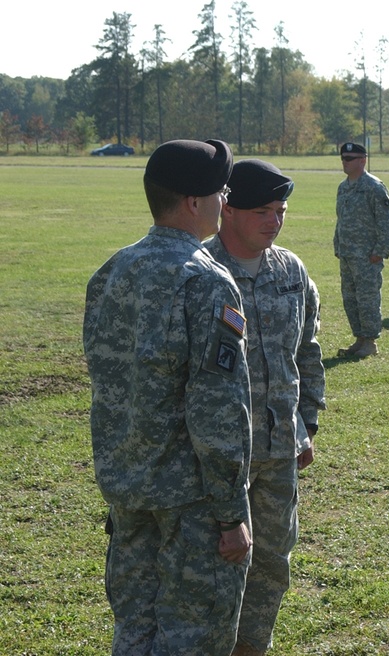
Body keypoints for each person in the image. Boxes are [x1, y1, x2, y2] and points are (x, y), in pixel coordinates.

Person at [83, 139, 253, 654]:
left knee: (134, 630)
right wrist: (231, 512)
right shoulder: (206, 281)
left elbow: (107, 381)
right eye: (221, 192)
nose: (226, 201)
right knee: (193, 636)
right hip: (191, 503)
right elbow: (217, 408)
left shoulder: (112, 271)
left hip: (128, 491)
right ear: (193, 203)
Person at [206, 159, 326, 656]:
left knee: (273, 562)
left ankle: (252, 649)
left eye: (281, 211)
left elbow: (307, 352)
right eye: (262, 210)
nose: (274, 221)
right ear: (227, 208)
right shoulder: (201, 272)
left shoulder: (291, 270)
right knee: (215, 569)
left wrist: (307, 423)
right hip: (218, 454)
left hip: (279, 450)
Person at [333, 142, 389, 358]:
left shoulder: (374, 187)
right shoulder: (343, 187)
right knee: (350, 298)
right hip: (347, 254)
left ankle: (370, 342)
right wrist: (337, 245)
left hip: (367, 256)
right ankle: (359, 339)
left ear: (362, 160)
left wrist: (380, 251)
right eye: (343, 158)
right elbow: (340, 219)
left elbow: (386, 222)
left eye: (349, 158)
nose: (345, 162)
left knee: (367, 298)